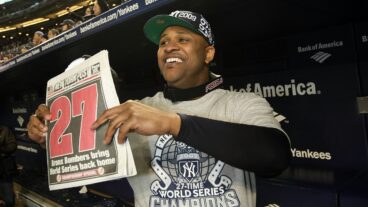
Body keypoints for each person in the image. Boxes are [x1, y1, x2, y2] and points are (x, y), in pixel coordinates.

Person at [27, 10, 291, 207]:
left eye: (183, 39)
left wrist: (172, 123)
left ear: (208, 54)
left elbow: (274, 158)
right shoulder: (135, 110)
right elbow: (85, 153)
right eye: (163, 42)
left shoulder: (242, 104)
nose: (169, 47)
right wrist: (50, 135)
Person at [0, 125, 17, 207]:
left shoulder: (4, 130)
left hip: (4, 171)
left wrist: (1, 149)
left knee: (9, 200)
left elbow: (13, 146)